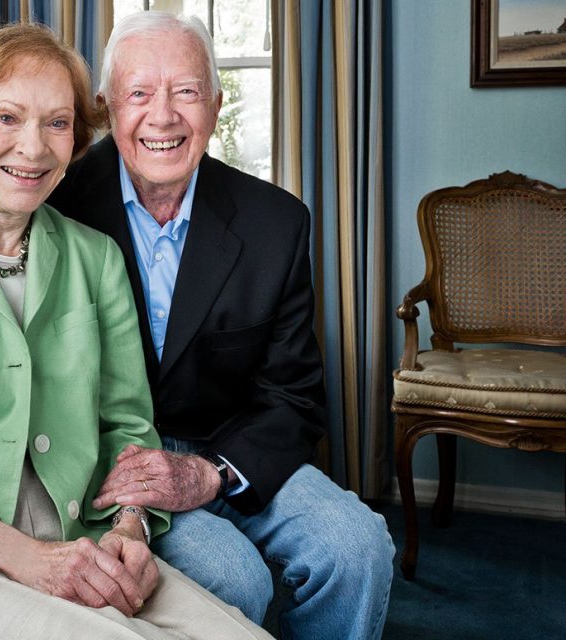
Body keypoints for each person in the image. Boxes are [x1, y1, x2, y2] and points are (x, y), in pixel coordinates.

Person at [0, 22, 270, 640]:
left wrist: (131, 528)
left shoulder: (95, 258)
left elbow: (127, 424)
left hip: (80, 544)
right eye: (7, 117)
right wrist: (28, 559)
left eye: (57, 123)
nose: (32, 148)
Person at [48, 11, 394, 640]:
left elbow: (292, 395)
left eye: (186, 91)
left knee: (357, 545)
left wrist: (212, 472)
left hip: (227, 449)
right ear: (105, 107)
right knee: (236, 578)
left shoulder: (276, 223)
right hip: (108, 461)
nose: (163, 116)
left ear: (215, 103)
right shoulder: (55, 203)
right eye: (139, 93)